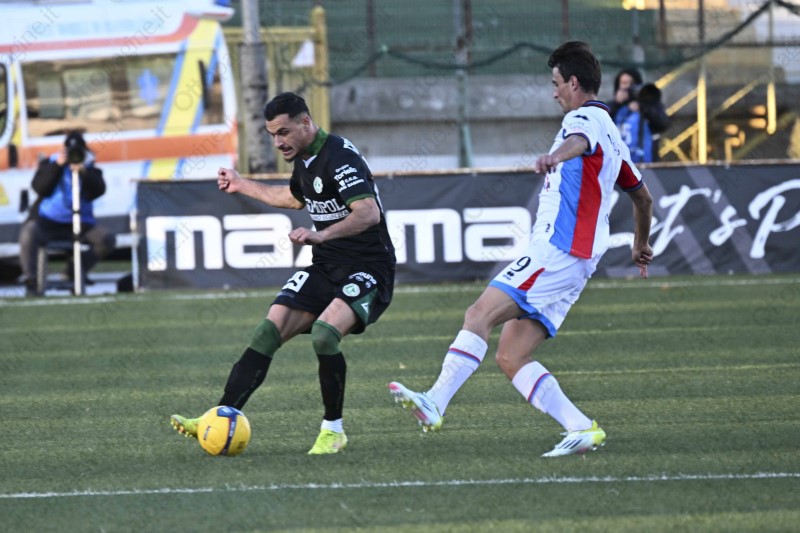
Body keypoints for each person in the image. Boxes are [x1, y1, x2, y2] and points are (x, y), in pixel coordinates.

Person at [388, 41, 654, 457]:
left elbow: (579, 141)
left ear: (573, 83)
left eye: (556, 83)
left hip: (559, 250)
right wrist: (640, 243)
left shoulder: (583, 118)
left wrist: (554, 156)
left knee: (479, 314)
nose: (554, 93)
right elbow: (643, 198)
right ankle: (581, 427)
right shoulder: (614, 136)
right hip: (579, 259)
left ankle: (435, 401)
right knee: (511, 354)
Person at [170, 92, 396, 455]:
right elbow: (294, 198)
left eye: (283, 132)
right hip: (327, 266)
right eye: (272, 135)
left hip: (369, 268)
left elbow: (369, 213)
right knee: (267, 331)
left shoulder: (340, 158)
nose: (278, 142)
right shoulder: (305, 158)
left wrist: (321, 234)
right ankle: (219, 416)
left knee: (324, 335)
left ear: (306, 122)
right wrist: (241, 184)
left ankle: (333, 430)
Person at [18, 130, 115, 296]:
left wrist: (84, 171)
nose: (73, 156)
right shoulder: (51, 164)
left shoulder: (90, 167)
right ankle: (32, 282)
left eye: (77, 152)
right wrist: (57, 166)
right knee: (28, 233)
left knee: (106, 239)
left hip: (80, 224)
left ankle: (73, 272)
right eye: (70, 151)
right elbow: (39, 187)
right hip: (48, 223)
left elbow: (99, 190)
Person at [608, 67, 671, 163]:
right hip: (618, 164)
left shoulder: (648, 104)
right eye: (624, 83)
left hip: (646, 162)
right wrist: (616, 104)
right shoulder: (613, 106)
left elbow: (664, 124)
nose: (628, 87)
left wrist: (644, 108)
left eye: (632, 83)